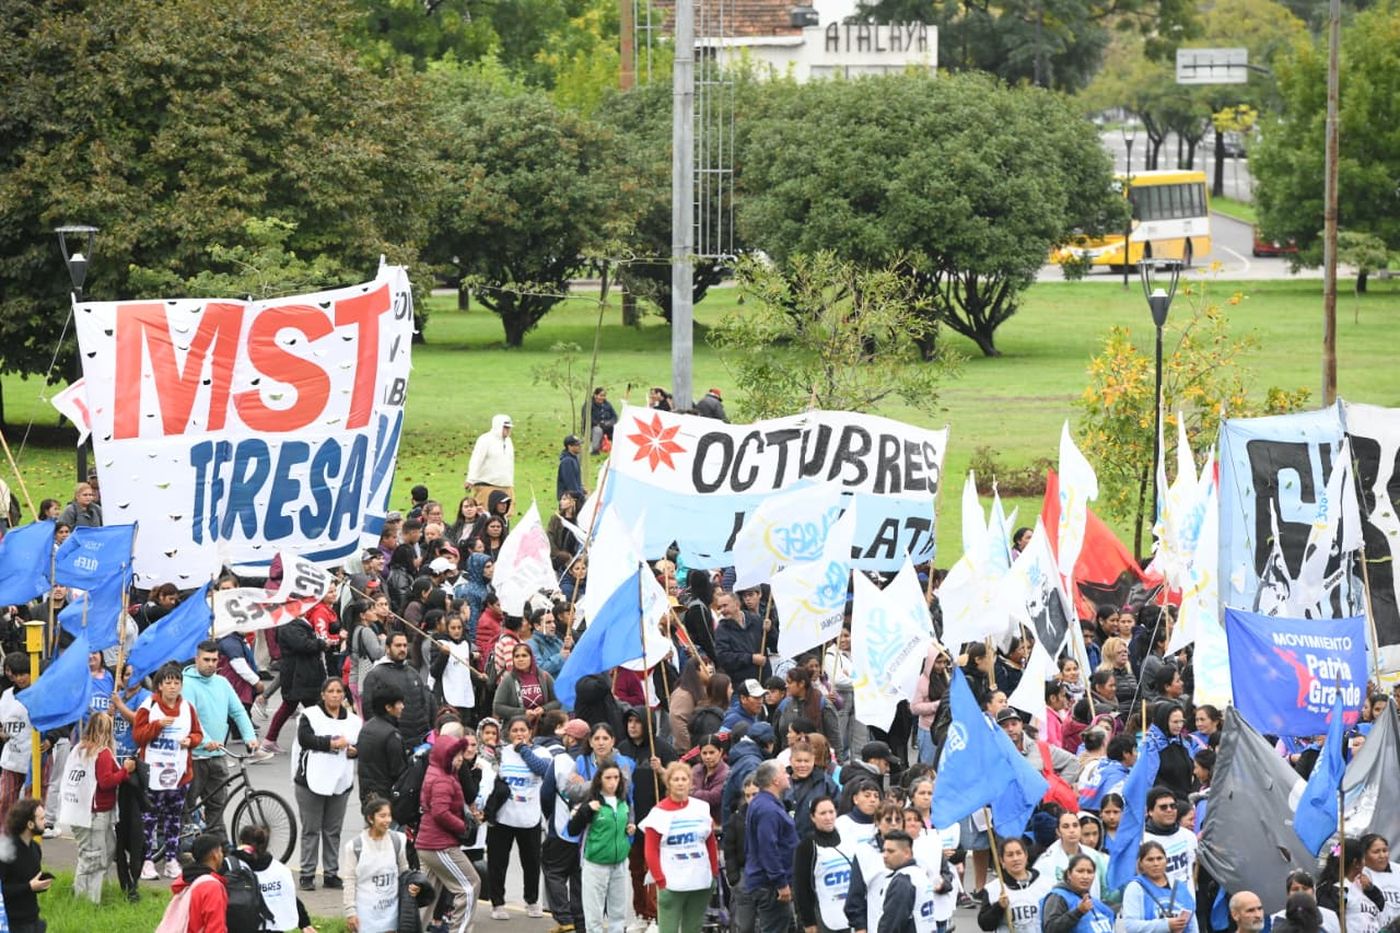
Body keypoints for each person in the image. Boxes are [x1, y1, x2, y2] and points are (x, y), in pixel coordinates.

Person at [183, 641, 265, 842]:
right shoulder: (187, 684)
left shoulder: (222, 683)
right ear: (196, 659)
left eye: (214, 660)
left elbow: (238, 711)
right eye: (206, 660)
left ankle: (219, 847)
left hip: (218, 754)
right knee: (187, 807)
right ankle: (184, 847)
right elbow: (191, 718)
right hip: (194, 756)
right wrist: (207, 741)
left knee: (217, 806)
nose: (211, 664)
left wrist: (250, 737)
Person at [134, 662, 205, 881]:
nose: (173, 687)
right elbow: (138, 736)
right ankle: (146, 860)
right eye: (168, 683)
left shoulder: (187, 708)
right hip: (152, 773)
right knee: (149, 819)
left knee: (174, 819)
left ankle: (171, 860)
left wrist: (190, 741)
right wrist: (157, 726)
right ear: (160, 686)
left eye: (176, 683)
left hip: (179, 773)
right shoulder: (149, 706)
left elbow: (198, 734)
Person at [293, 677, 361, 890]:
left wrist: (354, 750)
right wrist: (330, 743)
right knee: (311, 829)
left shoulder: (353, 721)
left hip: (340, 780)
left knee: (333, 830)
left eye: (339, 691)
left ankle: (331, 873)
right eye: (331, 691)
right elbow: (305, 739)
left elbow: (360, 745)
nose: (335, 695)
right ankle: (307, 873)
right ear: (323, 694)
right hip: (310, 781)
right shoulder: (310, 715)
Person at [486, 715, 554, 919]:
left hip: (529, 817)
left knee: (531, 863)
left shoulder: (541, 752)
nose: (519, 734)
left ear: (530, 732)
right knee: (497, 863)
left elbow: (544, 770)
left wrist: (523, 749)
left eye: (523, 730)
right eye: (514, 730)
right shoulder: (501, 753)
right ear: (508, 733)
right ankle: (498, 903)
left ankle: (531, 901)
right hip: (503, 817)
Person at [60, 711, 130, 904]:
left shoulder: (78, 749)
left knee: (105, 849)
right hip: (95, 812)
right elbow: (106, 782)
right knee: (93, 857)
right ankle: (87, 899)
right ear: (107, 731)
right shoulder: (102, 752)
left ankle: (92, 890)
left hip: (78, 807)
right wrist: (125, 771)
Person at [417, 735, 483, 933]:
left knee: (427, 895)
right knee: (469, 886)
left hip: (428, 842)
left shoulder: (437, 771)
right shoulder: (443, 779)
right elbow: (440, 812)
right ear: (445, 756)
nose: (460, 758)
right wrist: (462, 826)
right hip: (439, 844)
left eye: (461, 754)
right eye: (455, 755)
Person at [642, 761, 718, 933]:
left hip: (700, 881)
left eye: (684, 779)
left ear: (690, 782)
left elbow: (710, 841)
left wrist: (714, 872)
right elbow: (650, 850)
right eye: (675, 779)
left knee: (693, 928)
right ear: (668, 783)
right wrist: (660, 881)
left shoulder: (701, 808)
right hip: (672, 882)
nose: (680, 783)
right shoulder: (658, 813)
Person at [568, 760, 633, 933]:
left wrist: (629, 827)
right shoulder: (592, 802)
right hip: (596, 864)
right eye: (608, 778)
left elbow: (627, 818)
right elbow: (572, 829)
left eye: (616, 778)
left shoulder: (622, 801)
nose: (613, 782)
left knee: (618, 913)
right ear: (600, 780)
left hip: (619, 863)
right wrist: (586, 810)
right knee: (594, 915)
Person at [342, 795, 418, 933]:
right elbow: (349, 880)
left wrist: (412, 885)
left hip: (390, 913)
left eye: (389, 815)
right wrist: (350, 911)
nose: (387, 820)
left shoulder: (398, 840)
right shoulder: (355, 846)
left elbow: (404, 871)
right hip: (365, 914)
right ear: (370, 818)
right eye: (382, 816)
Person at [263, 611, 327, 755]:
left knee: (291, 706)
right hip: (298, 674)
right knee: (315, 708)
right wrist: (321, 643)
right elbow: (303, 645)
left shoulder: (295, 622)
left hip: (301, 673)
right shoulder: (288, 626)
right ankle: (320, 740)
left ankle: (270, 740)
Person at [745, 759, 798, 932]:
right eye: (784, 772)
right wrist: (780, 883)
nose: (788, 775)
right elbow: (768, 848)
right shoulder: (768, 809)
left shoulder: (764, 803)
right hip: (770, 886)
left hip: (770, 882)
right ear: (775, 780)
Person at [361, 631, 436, 747]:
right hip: (393, 739)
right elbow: (368, 710)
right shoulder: (375, 675)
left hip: (420, 739)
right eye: (398, 645)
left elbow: (424, 703)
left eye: (405, 645)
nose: (402, 649)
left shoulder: (413, 673)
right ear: (387, 648)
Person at [235, 824, 315, 933]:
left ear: (241, 843)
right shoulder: (280, 870)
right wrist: (305, 923)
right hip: (274, 927)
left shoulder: (235, 868)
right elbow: (289, 897)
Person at [794, 796, 854, 933]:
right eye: (822, 813)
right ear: (813, 817)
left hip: (851, 915)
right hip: (823, 916)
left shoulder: (847, 838)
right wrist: (808, 921)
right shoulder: (807, 845)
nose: (828, 817)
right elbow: (801, 886)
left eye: (831, 812)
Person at [979, 836, 1054, 933]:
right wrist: (999, 907)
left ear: (1026, 856)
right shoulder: (993, 889)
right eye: (1010, 855)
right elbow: (985, 925)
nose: (1015, 858)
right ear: (1002, 861)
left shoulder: (1046, 885)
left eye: (1019, 853)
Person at [1121, 841, 1198, 933]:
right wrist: (1166, 925)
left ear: (1166, 860)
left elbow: (1192, 925)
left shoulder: (1180, 888)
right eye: (1150, 860)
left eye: (1159, 858)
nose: (1156, 863)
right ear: (1141, 863)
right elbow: (1131, 926)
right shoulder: (1135, 888)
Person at [872, 829, 939, 933]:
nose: (885, 855)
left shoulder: (902, 881)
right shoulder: (919, 873)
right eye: (884, 850)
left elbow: (891, 925)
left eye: (891, 851)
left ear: (907, 853)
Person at [0, 797, 51, 933]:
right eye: (41, 819)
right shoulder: (6, 852)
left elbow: (30, 882)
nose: (45, 822)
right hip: (13, 923)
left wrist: (40, 885)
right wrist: (29, 887)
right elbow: (2, 890)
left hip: (33, 918)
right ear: (30, 824)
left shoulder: (35, 848)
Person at [1034, 811, 1108, 898]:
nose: (1072, 830)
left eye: (1075, 825)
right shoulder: (1046, 861)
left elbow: (1106, 890)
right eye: (1066, 826)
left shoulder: (1094, 856)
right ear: (1058, 831)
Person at [1318, 838, 1385, 933]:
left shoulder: (1363, 886)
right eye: (1363, 859)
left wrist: (1371, 889)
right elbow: (1328, 924)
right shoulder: (1336, 890)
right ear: (1356, 863)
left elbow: (1381, 905)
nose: (1365, 863)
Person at [164, 833, 227, 933]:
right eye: (220, 851)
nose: (222, 855)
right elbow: (215, 928)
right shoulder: (212, 887)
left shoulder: (186, 881)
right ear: (215, 854)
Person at [356, 685, 407, 806]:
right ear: (388, 707)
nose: (402, 707)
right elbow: (399, 771)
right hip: (387, 798)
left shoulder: (366, 728)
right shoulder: (392, 735)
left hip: (369, 795)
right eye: (399, 703)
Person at [1040, 854, 1116, 933]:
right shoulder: (1058, 897)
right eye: (1080, 871)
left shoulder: (1096, 904)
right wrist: (1079, 912)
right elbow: (1050, 929)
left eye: (1090, 872)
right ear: (1069, 874)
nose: (1085, 877)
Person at [1142, 787, 1196, 889]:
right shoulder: (1142, 840)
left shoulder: (1189, 836)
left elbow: (1193, 871)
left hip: (1186, 897)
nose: (1169, 810)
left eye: (1173, 806)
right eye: (1163, 807)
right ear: (1150, 811)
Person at [492, 642, 560, 725]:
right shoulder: (508, 679)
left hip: (542, 726)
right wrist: (523, 712)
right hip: (517, 727)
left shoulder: (544, 676)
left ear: (531, 658)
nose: (520, 659)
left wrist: (544, 709)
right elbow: (498, 707)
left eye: (524, 655)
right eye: (517, 656)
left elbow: (558, 701)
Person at [466, 414, 515, 510]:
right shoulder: (485, 440)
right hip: (487, 485)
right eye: (505, 427)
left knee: (505, 513)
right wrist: (470, 479)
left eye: (509, 428)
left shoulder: (509, 441)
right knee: (485, 513)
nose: (508, 430)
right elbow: (476, 460)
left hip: (506, 485)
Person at [1360, 833, 1400, 927]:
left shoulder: (1398, 870)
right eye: (1376, 852)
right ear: (1364, 854)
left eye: (1385, 850)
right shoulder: (1359, 874)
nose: (1382, 855)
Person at [586, 387, 618, 453]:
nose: (602, 398)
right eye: (600, 395)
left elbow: (614, 416)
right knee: (598, 430)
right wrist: (598, 424)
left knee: (618, 428)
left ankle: (616, 448)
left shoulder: (607, 404)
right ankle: (595, 449)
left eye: (604, 396)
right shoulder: (589, 405)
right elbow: (587, 419)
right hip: (594, 428)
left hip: (608, 427)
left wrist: (610, 423)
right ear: (595, 395)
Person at [557, 435, 586, 501]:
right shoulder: (567, 462)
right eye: (577, 445)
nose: (580, 446)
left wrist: (582, 490)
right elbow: (571, 485)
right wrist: (581, 496)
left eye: (580, 444)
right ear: (569, 446)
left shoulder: (574, 459)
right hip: (569, 499)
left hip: (575, 496)